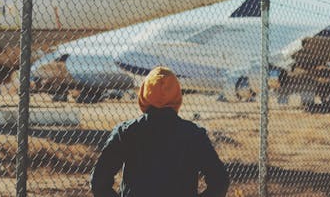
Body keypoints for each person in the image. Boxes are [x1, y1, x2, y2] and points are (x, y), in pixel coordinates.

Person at [90, 66, 230, 197]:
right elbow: (220, 181)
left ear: (144, 94)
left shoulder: (126, 132)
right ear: (176, 96)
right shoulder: (194, 134)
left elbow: (99, 182)